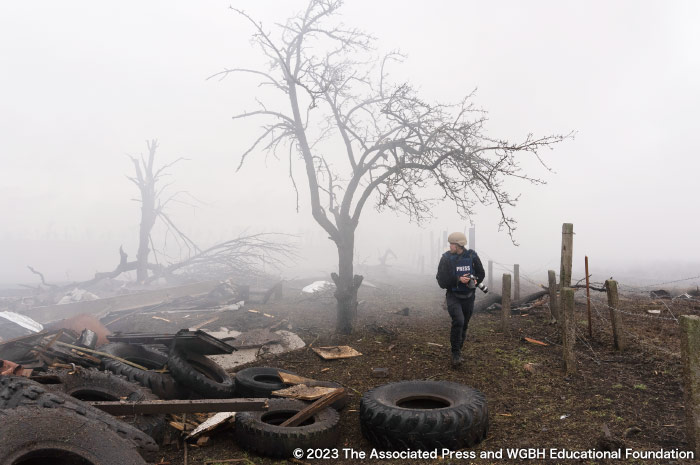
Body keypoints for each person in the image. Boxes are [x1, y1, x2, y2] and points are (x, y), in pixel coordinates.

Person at [436, 231, 486, 368]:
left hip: (469, 296)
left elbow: (481, 273)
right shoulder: (445, 258)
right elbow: (441, 281)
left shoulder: (472, 256)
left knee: (464, 324)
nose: (450, 246)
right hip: (453, 296)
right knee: (458, 320)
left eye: (452, 244)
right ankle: (455, 354)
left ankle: (459, 349)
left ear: (459, 245)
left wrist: (474, 280)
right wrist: (458, 279)